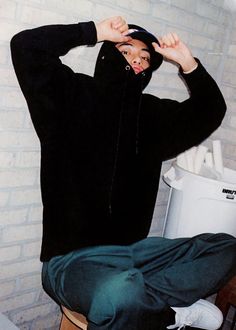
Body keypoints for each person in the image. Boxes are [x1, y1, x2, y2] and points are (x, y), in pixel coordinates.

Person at [11, 16, 236, 330]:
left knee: (226, 248)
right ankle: (169, 314)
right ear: (106, 55)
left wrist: (188, 63)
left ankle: (145, 301)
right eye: (128, 50)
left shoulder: (154, 116)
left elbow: (210, 110)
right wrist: (94, 32)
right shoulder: (69, 96)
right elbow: (25, 46)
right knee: (118, 291)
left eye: (145, 58)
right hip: (71, 262)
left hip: (136, 256)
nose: (137, 59)